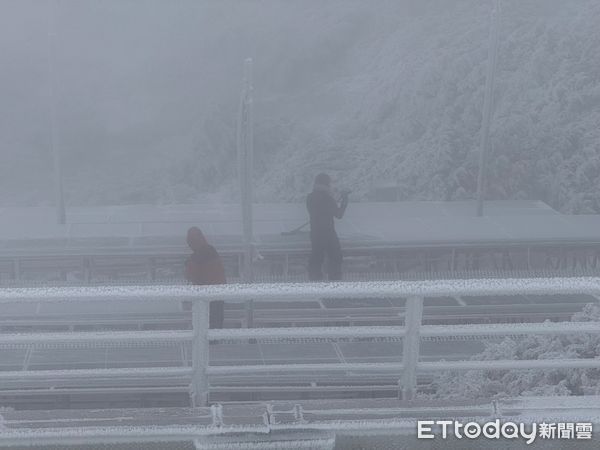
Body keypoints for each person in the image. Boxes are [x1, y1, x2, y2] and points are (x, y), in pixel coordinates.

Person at [306, 173, 349, 281]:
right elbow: (339, 215)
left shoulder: (310, 197)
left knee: (316, 260)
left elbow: (318, 210)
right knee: (336, 258)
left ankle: (315, 284)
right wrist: (344, 200)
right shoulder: (328, 198)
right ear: (326, 184)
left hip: (315, 234)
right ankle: (334, 285)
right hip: (329, 234)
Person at [184, 226, 226, 328]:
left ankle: (207, 342)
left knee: (204, 322)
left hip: (204, 294)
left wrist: (187, 264)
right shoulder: (211, 250)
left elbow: (191, 276)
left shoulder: (195, 258)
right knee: (216, 320)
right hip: (219, 291)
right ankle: (215, 341)